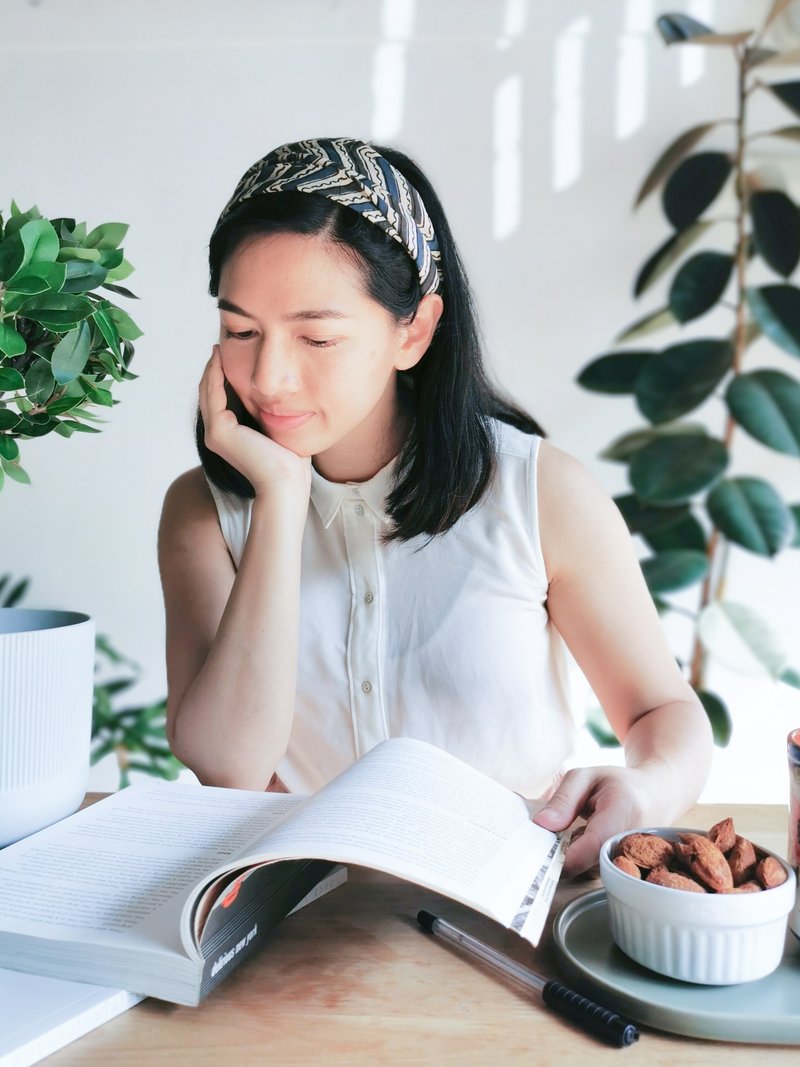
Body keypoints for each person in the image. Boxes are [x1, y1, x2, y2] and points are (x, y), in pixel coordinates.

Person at [158, 137, 712, 876]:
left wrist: (647, 787)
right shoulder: (202, 513)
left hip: (505, 900)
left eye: (316, 337)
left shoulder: (540, 493)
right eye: (240, 331)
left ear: (414, 330)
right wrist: (282, 499)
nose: (269, 377)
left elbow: (661, 712)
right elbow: (228, 766)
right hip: (309, 915)